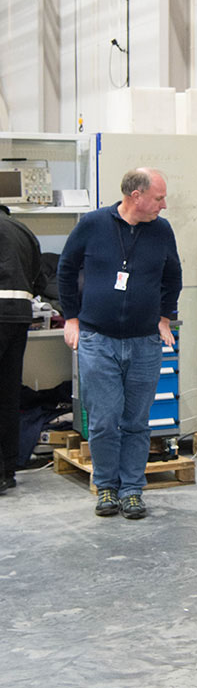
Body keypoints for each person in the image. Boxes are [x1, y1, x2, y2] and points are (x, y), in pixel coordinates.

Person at [57, 168, 182, 520]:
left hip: (144, 341)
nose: (164, 204)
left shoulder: (161, 231)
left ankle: (131, 490)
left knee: (137, 421)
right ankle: (107, 487)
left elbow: (173, 275)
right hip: (98, 340)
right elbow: (66, 268)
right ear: (135, 196)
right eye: (158, 198)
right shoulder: (93, 224)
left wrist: (164, 316)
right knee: (104, 419)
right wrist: (71, 317)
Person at [0, 204, 44, 495]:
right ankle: (8, 470)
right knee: (8, 393)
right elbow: (40, 280)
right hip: (19, 317)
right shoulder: (23, 230)